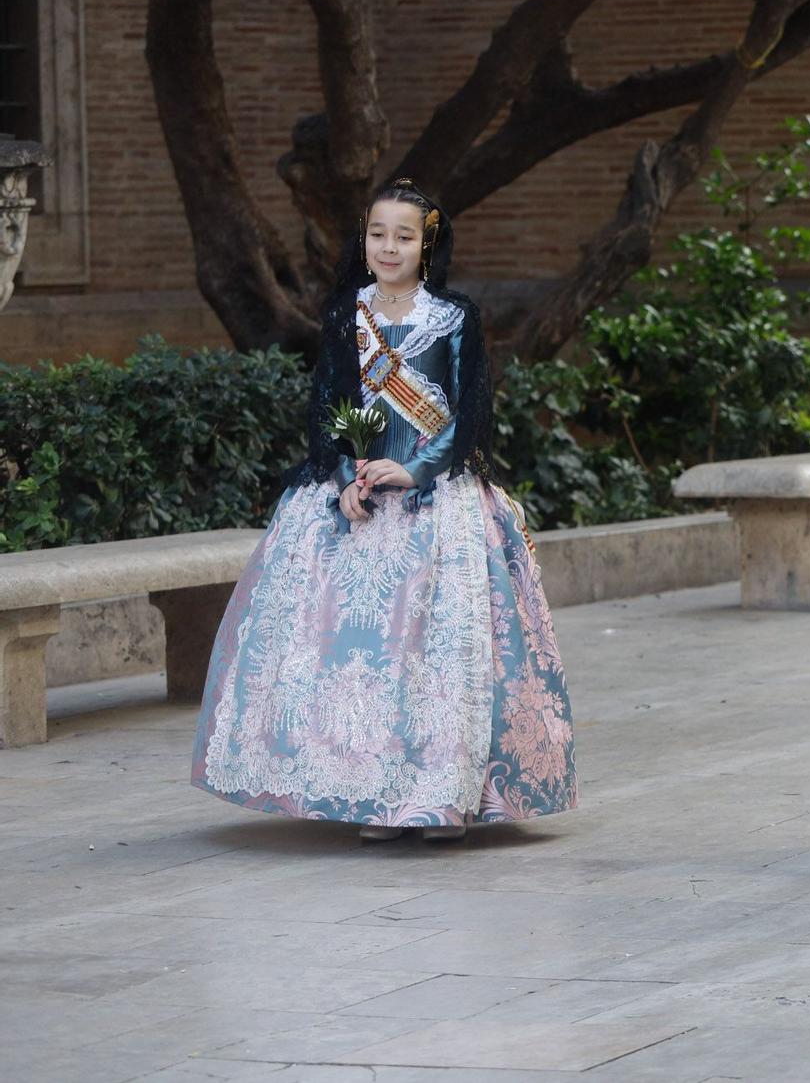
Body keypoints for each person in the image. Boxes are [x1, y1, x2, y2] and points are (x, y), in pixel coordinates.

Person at [192, 179, 579, 841]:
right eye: (378, 233)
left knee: (435, 656)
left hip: (439, 504)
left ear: (426, 244)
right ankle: (373, 797)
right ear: (363, 239)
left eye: (403, 235)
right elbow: (329, 411)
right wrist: (346, 476)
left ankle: (438, 798)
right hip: (360, 502)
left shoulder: (454, 318)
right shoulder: (347, 315)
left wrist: (415, 467)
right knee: (356, 660)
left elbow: (469, 418)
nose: (389, 246)